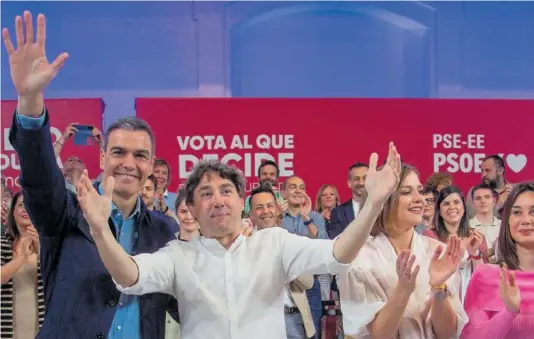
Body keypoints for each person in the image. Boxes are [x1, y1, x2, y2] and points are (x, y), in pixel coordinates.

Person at [75, 142, 402, 338]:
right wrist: (101, 231)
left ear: (240, 200)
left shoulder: (274, 243)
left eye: (226, 191)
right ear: (190, 208)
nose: (217, 200)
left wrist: (373, 204)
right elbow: (129, 275)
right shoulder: (179, 256)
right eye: (206, 193)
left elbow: (338, 253)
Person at [3, 11, 178, 339]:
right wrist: (29, 99)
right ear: (101, 157)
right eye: (118, 152)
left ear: (151, 165)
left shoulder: (164, 229)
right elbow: (39, 176)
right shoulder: (67, 211)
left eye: (140, 155)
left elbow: (181, 303)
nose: (128, 162)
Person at [338, 163, 468, 339]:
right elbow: (379, 333)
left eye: (420, 191)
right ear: (382, 200)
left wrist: (439, 288)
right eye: (406, 192)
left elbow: (448, 333)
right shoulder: (358, 259)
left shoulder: (439, 253)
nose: (419, 199)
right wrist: (403, 290)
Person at [461, 181, 534, 339]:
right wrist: (509, 312)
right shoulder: (486, 277)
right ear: (507, 221)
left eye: (533, 212)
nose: (526, 220)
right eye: (516, 213)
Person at [1, 192, 44, 339]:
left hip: (44, 329)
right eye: (20, 205)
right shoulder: (3, 243)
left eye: (30, 205)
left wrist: (42, 248)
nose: (25, 209)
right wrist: (21, 258)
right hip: (7, 330)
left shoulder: (50, 244)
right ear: (13, 211)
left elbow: (61, 279)